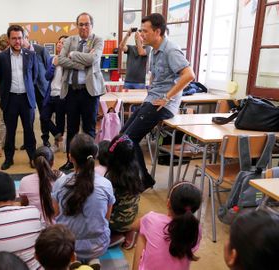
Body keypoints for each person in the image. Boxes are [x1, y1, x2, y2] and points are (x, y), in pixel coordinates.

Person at [121, 13, 195, 189]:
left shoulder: (171, 49)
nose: (142, 34)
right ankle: (128, 176)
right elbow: (156, 78)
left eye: (145, 31)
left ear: (157, 31)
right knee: (122, 136)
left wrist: (167, 97)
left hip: (163, 104)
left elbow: (189, 75)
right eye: (141, 31)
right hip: (152, 99)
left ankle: (143, 179)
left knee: (129, 138)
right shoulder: (153, 50)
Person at [52, 134, 115, 268]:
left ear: (70, 157)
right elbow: (106, 218)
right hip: (99, 245)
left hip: (67, 245)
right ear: (95, 156)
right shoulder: (106, 184)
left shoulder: (60, 183)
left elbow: (56, 215)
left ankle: (72, 259)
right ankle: (93, 259)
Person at [57, 13, 106, 171]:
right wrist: (82, 62)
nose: (84, 27)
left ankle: (88, 164)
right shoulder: (70, 40)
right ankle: (71, 161)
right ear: (76, 25)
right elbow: (60, 59)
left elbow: (93, 60)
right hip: (71, 91)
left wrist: (73, 55)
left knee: (89, 129)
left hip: (89, 92)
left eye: (87, 24)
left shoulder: (98, 40)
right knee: (71, 128)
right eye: (81, 24)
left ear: (92, 25)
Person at [0, 25, 38, 170]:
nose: (17, 41)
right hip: (10, 99)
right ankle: (9, 159)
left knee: (29, 130)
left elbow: (34, 76)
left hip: (26, 99)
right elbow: (0, 78)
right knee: (10, 131)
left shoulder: (31, 55)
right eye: (14, 38)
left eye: (20, 38)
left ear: (23, 38)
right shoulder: (0, 57)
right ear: (9, 39)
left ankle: (32, 157)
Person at [132, 182, 202, 270]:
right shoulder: (196, 228)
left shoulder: (151, 219)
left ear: (168, 203)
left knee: (142, 233)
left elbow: (133, 226)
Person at [106, 135, 143, 249]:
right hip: (132, 217)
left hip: (116, 222)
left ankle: (116, 236)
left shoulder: (112, 177)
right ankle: (130, 231)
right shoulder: (137, 171)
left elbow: (107, 205)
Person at [19, 146, 63, 225]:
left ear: (33, 162)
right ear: (53, 162)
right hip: (58, 228)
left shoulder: (25, 181)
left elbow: (24, 205)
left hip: (35, 226)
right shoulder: (61, 177)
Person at [23, 30, 51, 147]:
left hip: (41, 89)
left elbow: (49, 67)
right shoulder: (20, 53)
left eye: (21, 38)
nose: (19, 41)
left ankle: (45, 139)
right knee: (28, 117)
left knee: (44, 116)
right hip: (27, 89)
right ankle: (28, 141)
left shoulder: (40, 50)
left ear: (27, 37)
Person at [44, 35, 68, 152]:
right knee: (44, 117)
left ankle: (57, 145)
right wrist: (54, 65)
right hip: (50, 95)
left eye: (62, 42)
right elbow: (47, 76)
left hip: (62, 96)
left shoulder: (69, 60)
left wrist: (62, 62)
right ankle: (59, 138)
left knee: (60, 121)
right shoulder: (51, 59)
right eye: (58, 42)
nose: (59, 44)